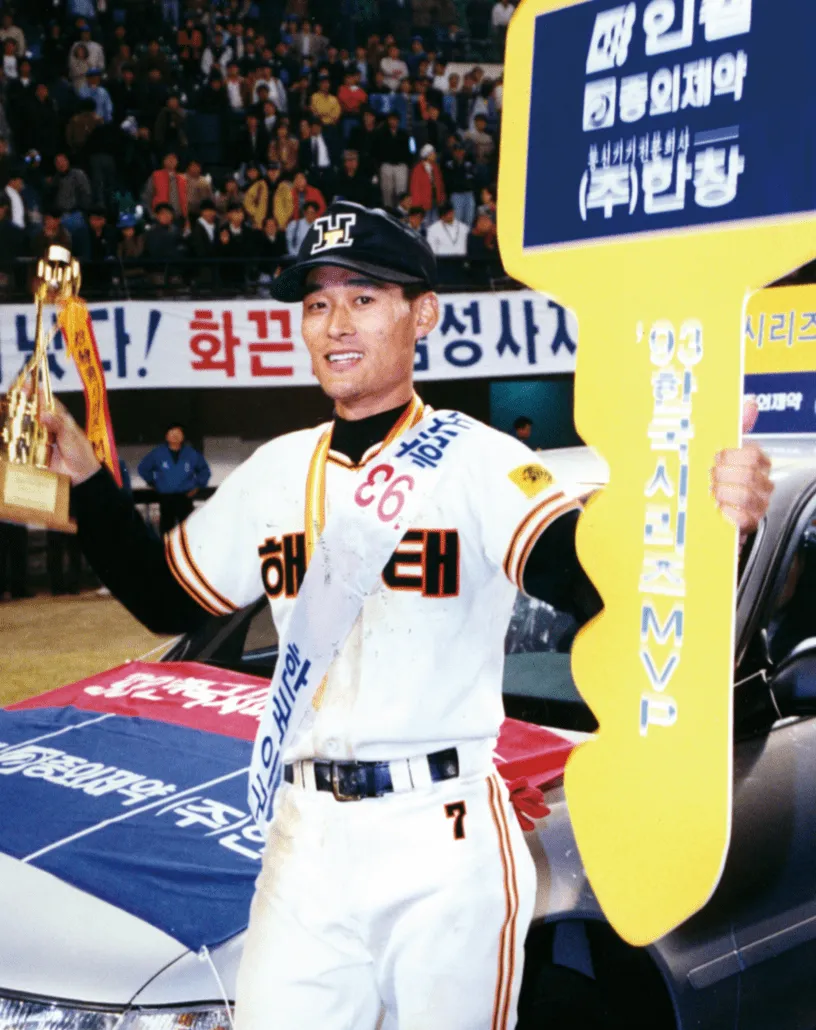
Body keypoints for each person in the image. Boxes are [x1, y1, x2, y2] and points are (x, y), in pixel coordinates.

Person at [45, 200, 773, 1030]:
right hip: (306, 842)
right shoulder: (275, 470)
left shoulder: (482, 461)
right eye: (317, 303)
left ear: (422, 314)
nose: (334, 324)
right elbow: (163, 596)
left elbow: (592, 578)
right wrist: (88, 479)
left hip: (442, 837)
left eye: (363, 298)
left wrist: (703, 515)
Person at [137, 424, 211, 534]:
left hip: (185, 496)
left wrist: (198, 485)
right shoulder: (158, 453)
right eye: (172, 433)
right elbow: (143, 468)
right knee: (167, 529)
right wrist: (152, 482)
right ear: (166, 436)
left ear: (183, 436)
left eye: (178, 433)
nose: (175, 436)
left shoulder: (191, 453)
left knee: (187, 528)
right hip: (166, 497)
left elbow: (204, 471)